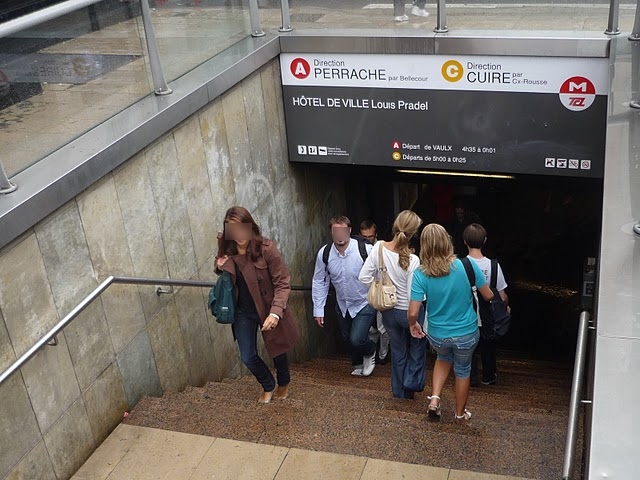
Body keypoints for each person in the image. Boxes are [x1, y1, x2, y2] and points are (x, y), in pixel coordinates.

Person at [408, 224, 493, 421]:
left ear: (424, 245)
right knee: (463, 370)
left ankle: (435, 399)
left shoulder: (421, 273)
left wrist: (413, 324)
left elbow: (413, 311)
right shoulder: (467, 265)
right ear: (448, 241)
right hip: (466, 332)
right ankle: (460, 414)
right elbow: (487, 295)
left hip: (437, 333)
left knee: (443, 358)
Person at [215, 206, 300, 404]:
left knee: (278, 350)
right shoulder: (227, 248)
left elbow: (282, 283)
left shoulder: (267, 249)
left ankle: (284, 382)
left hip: (268, 308)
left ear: (251, 226)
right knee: (247, 356)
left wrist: (276, 313)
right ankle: (267, 384)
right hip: (243, 311)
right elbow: (222, 268)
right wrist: (219, 266)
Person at [359, 211, 426, 399]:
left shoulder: (378, 247)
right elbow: (413, 293)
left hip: (388, 310)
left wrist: (381, 287)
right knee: (418, 347)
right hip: (410, 311)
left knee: (398, 350)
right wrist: (413, 322)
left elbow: (363, 277)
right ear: (413, 233)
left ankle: (399, 392)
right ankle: (411, 384)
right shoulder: (413, 260)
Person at [313, 215, 377, 377]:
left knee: (357, 338)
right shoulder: (325, 253)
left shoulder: (366, 250)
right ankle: (357, 363)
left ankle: (370, 351)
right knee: (347, 337)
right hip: (342, 303)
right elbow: (320, 280)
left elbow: (380, 273)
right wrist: (318, 309)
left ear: (349, 231)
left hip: (365, 300)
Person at [463, 223, 509, 386]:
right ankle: (489, 375)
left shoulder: (460, 265)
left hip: (467, 312)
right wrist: (506, 306)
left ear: (464, 241)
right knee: (488, 343)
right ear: (485, 241)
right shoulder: (494, 266)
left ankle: (471, 376)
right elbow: (502, 295)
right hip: (488, 312)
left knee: (469, 344)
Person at [360, 220, 391, 364]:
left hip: (380, 294)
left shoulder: (383, 249)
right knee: (369, 328)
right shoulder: (357, 249)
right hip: (363, 295)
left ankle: (382, 355)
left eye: (370, 237)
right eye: (364, 237)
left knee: (382, 328)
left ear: (376, 235)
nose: (368, 240)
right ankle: (371, 353)